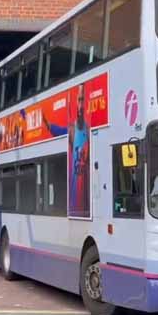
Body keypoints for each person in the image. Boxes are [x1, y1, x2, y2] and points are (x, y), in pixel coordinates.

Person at [69, 84, 90, 216]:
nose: (81, 105)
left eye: (83, 100)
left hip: (87, 207)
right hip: (72, 205)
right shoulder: (71, 130)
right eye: (79, 100)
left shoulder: (90, 132)